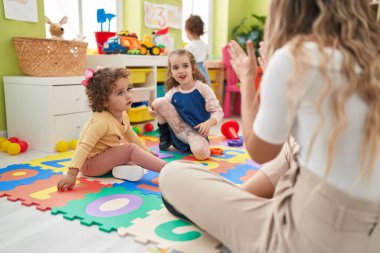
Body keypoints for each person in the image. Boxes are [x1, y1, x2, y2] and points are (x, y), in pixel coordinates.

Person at [158, 1, 380, 252]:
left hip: (307, 239)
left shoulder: (296, 57)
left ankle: (233, 204)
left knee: (172, 174)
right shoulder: (371, 57)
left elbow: (260, 152)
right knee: (291, 145)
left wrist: (249, 80)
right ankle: (239, 196)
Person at [57, 67, 166, 192]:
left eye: (129, 89)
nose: (128, 95)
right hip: (89, 164)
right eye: (120, 93)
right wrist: (71, 174)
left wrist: (146, 152)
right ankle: (167, 169)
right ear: (104, 101)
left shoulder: (122, 114)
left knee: (134, 155)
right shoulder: (101, 121)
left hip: (104, 157)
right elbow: (84, 147)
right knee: (129, 150)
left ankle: (120, 171)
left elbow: (131, 135)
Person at [149, 49, 223, 160]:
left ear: (192, 68)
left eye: (185, 66)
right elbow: (161, 109)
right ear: (171, 72)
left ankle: (194, 144)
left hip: (197, 134)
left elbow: (218, 111)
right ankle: (166, 135)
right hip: (178, 129)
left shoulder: (203, 89)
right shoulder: (173, 92)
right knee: (157, 102)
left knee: (201, 154)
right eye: (175, 67)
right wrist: (153, 111)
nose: (181, 71)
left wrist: (208, 123)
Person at [184, 14, 211, 85]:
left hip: (194, 73)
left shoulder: (189, 47)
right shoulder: (205, 45)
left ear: (188, 31)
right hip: (204, 73)